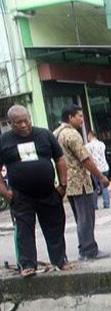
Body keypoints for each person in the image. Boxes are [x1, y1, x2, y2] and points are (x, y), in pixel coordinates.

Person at [0, 105, 73, 277]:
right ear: (10, 123)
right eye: (18, 123)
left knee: (55, 227)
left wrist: (62, 185)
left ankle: (60, 261)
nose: (24, 125)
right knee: (24, 230)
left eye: (26, 120)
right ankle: (27, 265)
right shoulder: (4, 140)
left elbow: (60, 159)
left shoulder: (44, 134)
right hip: (20, 196)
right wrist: (5, 192)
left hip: (48, 192)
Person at [54, 104, 111, 261]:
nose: (82, 119)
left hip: (67, 183)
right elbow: (85, 159)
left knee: (80, 217)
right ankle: (88, 250)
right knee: (86, 218)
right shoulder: (72, 134)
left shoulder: (56, 133)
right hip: (80, 182)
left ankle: (85, 248)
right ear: (70, 117)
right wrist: (100, 176)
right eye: (79, 116)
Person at [85, 130, 110, 210]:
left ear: (90, 135)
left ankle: (94, 205)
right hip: (104, 167)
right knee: (104, 186)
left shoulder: (87, 146)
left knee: (95, 187)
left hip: (95, 169)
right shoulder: (102, 144)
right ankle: (106, 203)